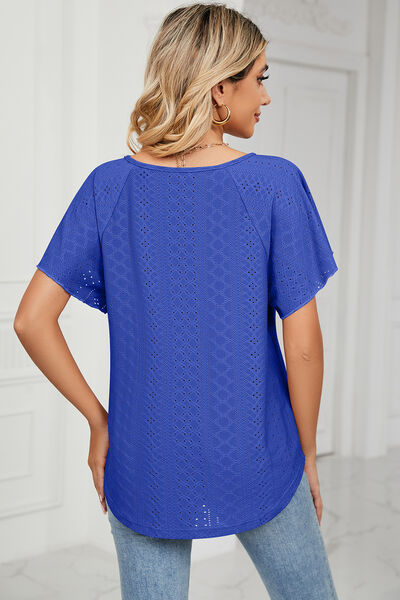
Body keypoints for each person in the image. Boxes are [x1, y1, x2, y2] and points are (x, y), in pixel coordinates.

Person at [14, 3, 340, 599]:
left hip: (143, 462)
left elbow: (32, 320)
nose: (266, 96)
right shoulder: (274, 183)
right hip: (260, 453)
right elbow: (303, 345)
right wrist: (308, 454)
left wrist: (99, 422)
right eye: (259, 78)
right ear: (220, 90)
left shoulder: (108, 186)